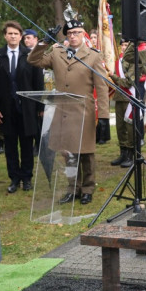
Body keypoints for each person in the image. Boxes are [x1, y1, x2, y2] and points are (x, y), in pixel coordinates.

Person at [27, 12, 110, 205]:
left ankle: (87, 188)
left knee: (86, 153)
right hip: (63, 111)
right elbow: (33, 61)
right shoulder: (57, 53)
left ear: (83, 34)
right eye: (70, 33)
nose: (73, 36)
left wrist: (104, 116)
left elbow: (101, 88)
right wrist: (44, 42)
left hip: (83, 111)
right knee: (68, 153)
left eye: (77, 32)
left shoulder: (93, 56)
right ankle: (73, 188)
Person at [0, 21, 42, 193]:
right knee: (10, 146)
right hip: (6, 109)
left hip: (27, 108)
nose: (13, 36)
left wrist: (40, 107)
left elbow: (38, 83)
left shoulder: (31, 55)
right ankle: (14, 178)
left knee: (27, 145)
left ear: (21, 36)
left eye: (16, 34)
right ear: (5, 36)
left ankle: (26, 178)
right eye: (10, 33)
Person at [108, 40, 146, 169]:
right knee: (120, 127)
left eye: (126, 45)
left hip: (130, 98)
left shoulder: (135, 62)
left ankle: (131, 154)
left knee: (130, 128)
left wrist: (112, 76)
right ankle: (123, 153)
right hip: (119, 97)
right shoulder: (118, 61)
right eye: (122, 45)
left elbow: (128, 83)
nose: (124, 47)